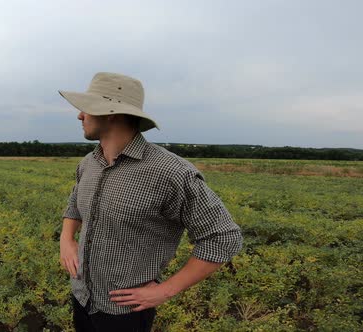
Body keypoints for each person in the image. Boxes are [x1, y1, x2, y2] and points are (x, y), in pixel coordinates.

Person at [58, 72, 243, 332]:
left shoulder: (170, 173)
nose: (79, 115)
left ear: (111, 112)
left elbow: (223, 237)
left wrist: (166, 290)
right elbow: (75, 203)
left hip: (125, 312)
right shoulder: (89, 163)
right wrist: (66, 239)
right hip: (81, 296)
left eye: (86, 109)